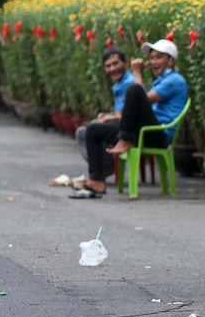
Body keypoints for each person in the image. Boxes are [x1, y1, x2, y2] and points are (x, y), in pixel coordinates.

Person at [71, 38, 188, 198]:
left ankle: (126, 138)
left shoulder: (175, 80)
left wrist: (137, 73)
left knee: (134, 89)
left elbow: (142, 100)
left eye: (159, 57)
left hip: (157, 135)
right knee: (93, 129)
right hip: (143, 132)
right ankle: (96, 181)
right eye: (152, 58)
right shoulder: (161, 80)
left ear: (171, 61)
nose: (153, 62)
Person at [73, 48, 135, 168]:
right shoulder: (119, 85)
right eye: (108, 66)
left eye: (115, 63)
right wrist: (110, 115)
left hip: (130, 131)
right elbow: (123, 111)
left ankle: (103, 167)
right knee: (92, 126)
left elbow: (131, 116)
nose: (112, 69)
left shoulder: (130, 83)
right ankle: (102, 167)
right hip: (122, 126)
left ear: (126, 63)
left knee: (88, 131)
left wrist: (111, 118)